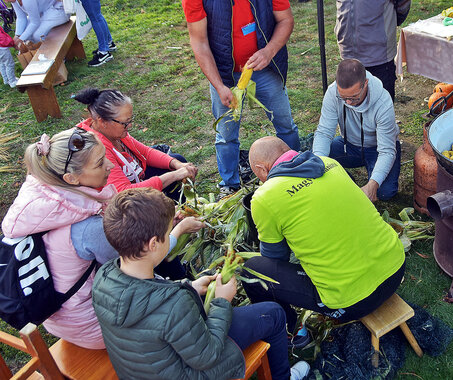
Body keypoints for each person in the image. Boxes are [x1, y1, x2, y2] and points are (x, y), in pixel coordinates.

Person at [1, 129, 203, 349]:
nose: (110, 165)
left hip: (61, 318)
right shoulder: (88, 229)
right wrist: (178, 230)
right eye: (99, 164)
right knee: (184, 304)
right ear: (71, 177)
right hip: (95, 325)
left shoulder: (44, 196)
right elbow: (140, 265)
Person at [92, 188, 310, 380]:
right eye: (169, 233)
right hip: (191, 372)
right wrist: (222, 302)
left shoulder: (105, 276)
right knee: (272, 313)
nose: (171, 237)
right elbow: (208, 355)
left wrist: (189, 286)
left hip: (143, 369)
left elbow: (149, 299)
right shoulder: (174, 305)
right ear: (153, 244)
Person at [242, 136, 406, 345]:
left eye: (259, 176)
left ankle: (291, 330)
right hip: (396, 268)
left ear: (261, 169)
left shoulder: (265, 196)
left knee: (253, 270)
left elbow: (275, 258)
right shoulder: (329, 163)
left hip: (353, 302)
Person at [183, 0, 299, 195]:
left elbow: (286, 20)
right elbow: (199, 41)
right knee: (225, 132)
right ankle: (229, 184)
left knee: (284, 121)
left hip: (263, 66)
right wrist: (219, 85)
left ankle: (294, 168)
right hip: (224, 72)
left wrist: (269, 51)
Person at [74, 88, 197, 200]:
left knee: (176, 160)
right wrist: (174, 175)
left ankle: (180, 212)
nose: (130, 125)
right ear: (103, 122)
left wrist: (177, 165)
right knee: (173, 175)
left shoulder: (113, 132)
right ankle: (173, 220)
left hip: (134, 180)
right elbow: (124, 194)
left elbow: (146, 153)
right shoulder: (96, 148)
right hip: (121, 201)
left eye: (130, 120)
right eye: (125, 123)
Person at [313, 59, 400, 202]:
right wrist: (318, 164)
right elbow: (324, 132)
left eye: (353, 97)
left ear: (365, 83)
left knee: (385, 192)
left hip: (377, 149)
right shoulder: (332, 92)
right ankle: (345, 179)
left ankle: (368, 175)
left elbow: (387, 151)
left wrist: (373, 184)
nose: (348, 102)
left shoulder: (383, 103)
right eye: (343, 98)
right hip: (348, 146)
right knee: (317, 157)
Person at [0, 0, 70, 52]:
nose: (7, 2)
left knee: (37, 36)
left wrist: (21, 39)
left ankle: (54, 52)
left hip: (59, 11)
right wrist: (17, 35)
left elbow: (35, 22)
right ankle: (37, 53)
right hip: (45, 13)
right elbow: (21, 17)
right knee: (28, 35)